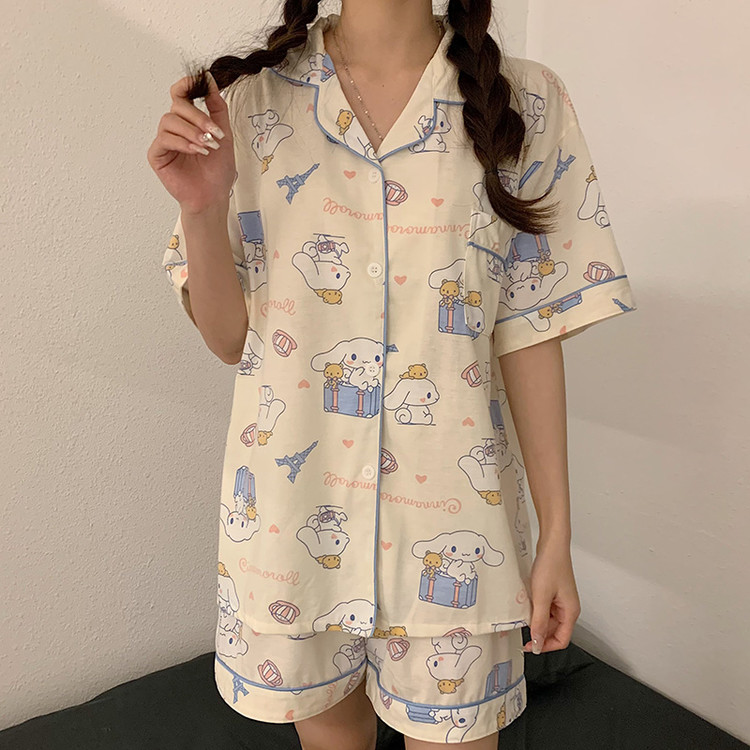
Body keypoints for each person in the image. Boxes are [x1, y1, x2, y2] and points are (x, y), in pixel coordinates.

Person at [147, 1, 637, 747]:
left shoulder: (525, 103)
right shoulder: (249, 103)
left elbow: (531, 330)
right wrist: (201, 207)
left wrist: (556, 535)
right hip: (295, 531)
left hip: (458, 531)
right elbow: (228, 339)